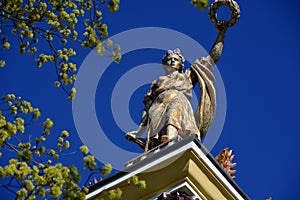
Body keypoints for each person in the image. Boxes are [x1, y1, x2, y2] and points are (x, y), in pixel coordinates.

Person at [126, 23, 228, 152]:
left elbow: (212, 59)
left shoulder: (187, 76)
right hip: (158, 107)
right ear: (164, 64)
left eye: (175, 59)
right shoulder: (158, 82)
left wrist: (221, 33)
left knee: (174, 108)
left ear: (181, 64)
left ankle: (171, 139)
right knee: (157, 135)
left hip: (178, 102)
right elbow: (147, 109)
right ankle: (157, 143)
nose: (172, 61)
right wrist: (139, 131)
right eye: (169, 59)